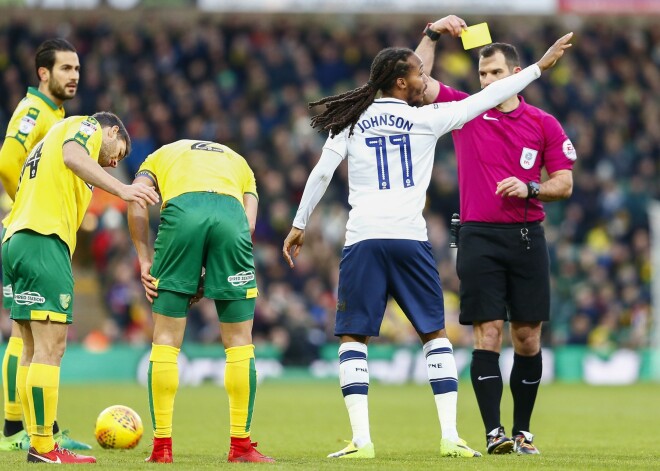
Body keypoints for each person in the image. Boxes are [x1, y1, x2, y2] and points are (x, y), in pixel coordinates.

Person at [282, 27, 572, 459]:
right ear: (402, 82)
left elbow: (322, 173)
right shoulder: (427, 118)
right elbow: (490, 98)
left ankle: (362, 442)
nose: (425, 79)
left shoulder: (349, 119)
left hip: (363, 238)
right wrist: (538, 68)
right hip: (410, 239)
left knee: (352, 339)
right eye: (418, 74)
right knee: (435, 335)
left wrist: (299, 223)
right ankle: (451, 436)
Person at [416, 16, 577, 455]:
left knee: (528, 336)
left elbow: (563, 184)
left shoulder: (543, 124)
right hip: (477, 236)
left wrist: (530, 187)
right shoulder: (465, 111)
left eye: (496, 73)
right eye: (483, 73)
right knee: (487, 333)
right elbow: (417, 79)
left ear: (515, 75)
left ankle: (523, 431)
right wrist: (431, 33)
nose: (487, 79)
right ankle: (494, 433)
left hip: (527, 235)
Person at [2, 111, 159, 464]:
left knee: (30, 348)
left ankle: (35, 439)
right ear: (112, 130)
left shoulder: (49, 140)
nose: (117, 160)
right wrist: (123, 189)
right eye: (119, 150)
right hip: (43, 240)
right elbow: (74, 156)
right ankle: (43, 448)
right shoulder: (85, 127)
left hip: (17, 240)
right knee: (51, 348)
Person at [127, 139, 275, 464]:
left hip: (182, 215)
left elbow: (137, 198)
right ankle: (240, 445)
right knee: (239, 342)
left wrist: (144, 259)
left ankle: (162, 447)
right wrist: (211, 271)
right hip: (231, 215)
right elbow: (249, 225)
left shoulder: (160, 155)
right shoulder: (239, 162)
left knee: (165, 339)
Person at [0, 38, 92, 452]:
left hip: (25, 230)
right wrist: (27, 202)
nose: (74, 76)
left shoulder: (55, 115)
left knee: (27, 337)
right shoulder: (34, 110)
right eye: (65, 69)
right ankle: (16, 429)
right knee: (27, 338)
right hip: (29, 230)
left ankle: (36, 428)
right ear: (43, 73)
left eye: (77, 69)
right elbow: (6, 162)